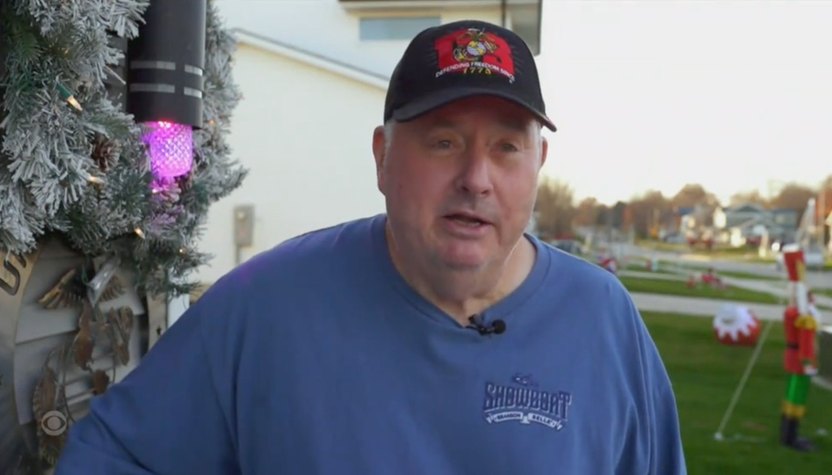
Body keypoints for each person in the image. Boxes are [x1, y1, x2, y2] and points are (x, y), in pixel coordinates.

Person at [56, 19, 686, 474]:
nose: (476, 177)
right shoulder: (266, 308)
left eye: (506, 147)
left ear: (538, 163)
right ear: (384, 158)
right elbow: (117, 457)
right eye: (443, 141)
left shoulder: (603, 323)